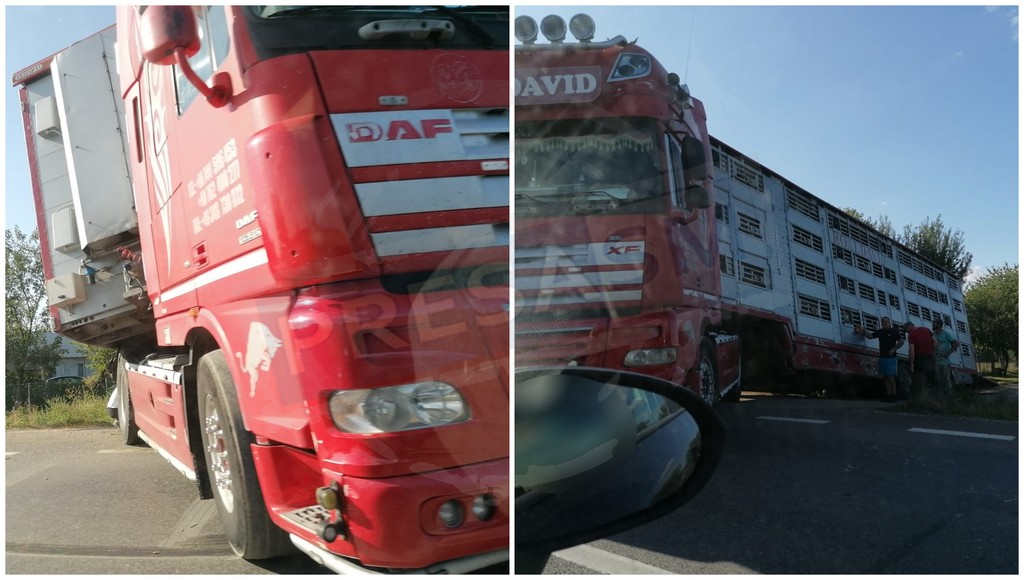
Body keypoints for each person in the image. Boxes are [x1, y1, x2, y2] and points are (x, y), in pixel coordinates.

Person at [854, 317, 903, 402]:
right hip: (883, 356)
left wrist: (894, 349)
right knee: (885, 377)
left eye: (886, 321)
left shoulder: (894, 331)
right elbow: (870, 336)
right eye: (883, 321)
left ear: (889, 322)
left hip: (891, 357)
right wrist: (862, 330)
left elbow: (901, 341)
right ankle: (889, 395)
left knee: (891, 376)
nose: (884, 323)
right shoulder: (880, 332)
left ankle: (894, 396)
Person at [905, 321, 937, 399]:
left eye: (906, 330)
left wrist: (912, 363)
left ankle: (922, 398)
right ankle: (934, 397)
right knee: (931, 379)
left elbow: (912, 349)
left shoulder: (911, 335)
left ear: (909, 327)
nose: (907, 332)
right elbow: (935, 342)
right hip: (930, 358)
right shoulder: (927, 329)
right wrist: (933, 352)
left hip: (919, 359)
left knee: (920, 379)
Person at [932, 319, 960, 395]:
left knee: (946, 379)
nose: (932, 325)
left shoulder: (946, 334)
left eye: (934, 323)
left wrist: (948, 353)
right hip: (936, 361)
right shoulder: (933, 334)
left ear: (938, 325)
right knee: (937, 379)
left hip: (945, 361)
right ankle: (940, 395)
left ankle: (949, 395)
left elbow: (956, 343)